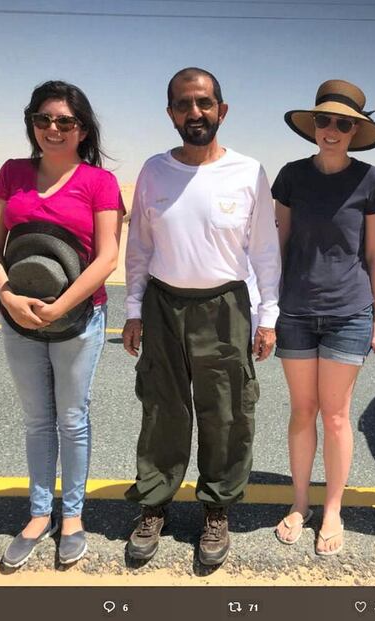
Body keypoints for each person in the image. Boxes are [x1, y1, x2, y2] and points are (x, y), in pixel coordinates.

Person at [122, 67, 280, 566]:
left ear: (222, 110)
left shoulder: (250, 171)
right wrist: (133, 309)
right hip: (163, 304)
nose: (196, 113)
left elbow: (265, 251)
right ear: (171, 114)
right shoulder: (153, 171)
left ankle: (217, 508)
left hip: (226, 305)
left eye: (205, 103)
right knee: (162, 408)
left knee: (228, 412)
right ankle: (154, 503)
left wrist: (268, 315)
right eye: (185, 105)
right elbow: (140, 247)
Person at [0, 80, 124, 567]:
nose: (53, 129)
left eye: (65, 121)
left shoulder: (99, 182)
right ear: (32, 124)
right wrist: (7, 295)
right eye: (43, 120)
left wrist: (61, 306)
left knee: (71, 419)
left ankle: (74, 517)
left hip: (79, 317)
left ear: (82, 128)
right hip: (17, 315)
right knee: (37, 419)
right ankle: (40, 514)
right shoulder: (12, 172)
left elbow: (107, 257)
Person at [272, 80, 375, 556]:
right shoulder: (291, 176)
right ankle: (300, 503)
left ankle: (334, 507)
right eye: (325, 120)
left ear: (356, 130)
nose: (332, 130)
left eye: (344, 123)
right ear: (313, 125)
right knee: (302, 411)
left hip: (350, 312)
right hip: (296, 310)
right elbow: (276, 246)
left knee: (337, 416)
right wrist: (267, 307)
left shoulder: (371, 180)